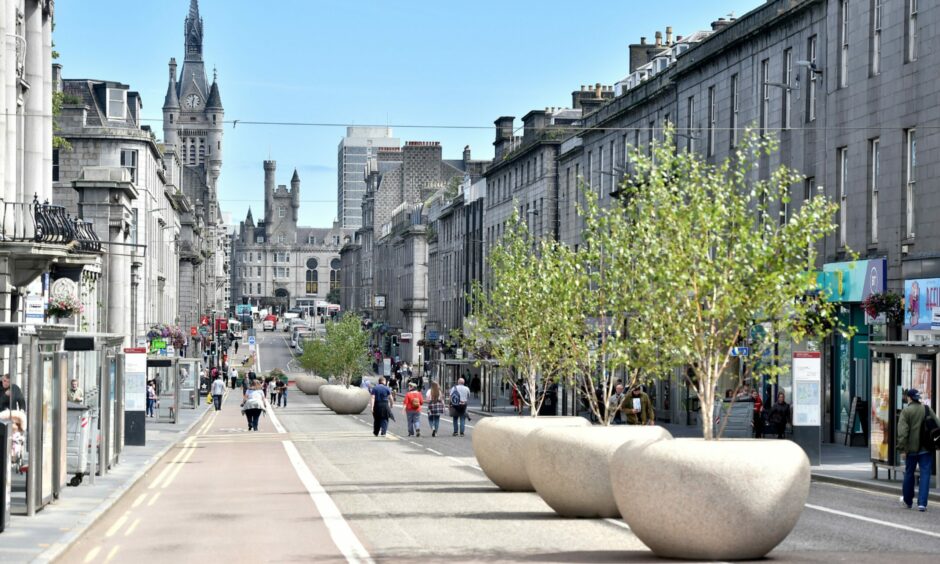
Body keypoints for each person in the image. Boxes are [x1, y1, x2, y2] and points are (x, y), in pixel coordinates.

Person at [897, 388, 940, 511]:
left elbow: (902, 433)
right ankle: (922, 503)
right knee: (925, 474)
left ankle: (908, 501)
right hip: (926, 448)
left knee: (909, 473)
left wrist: (902, 449)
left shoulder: (906, 411)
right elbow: (937, 424)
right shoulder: (927, 409)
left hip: (910, 449)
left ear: (909, 398)